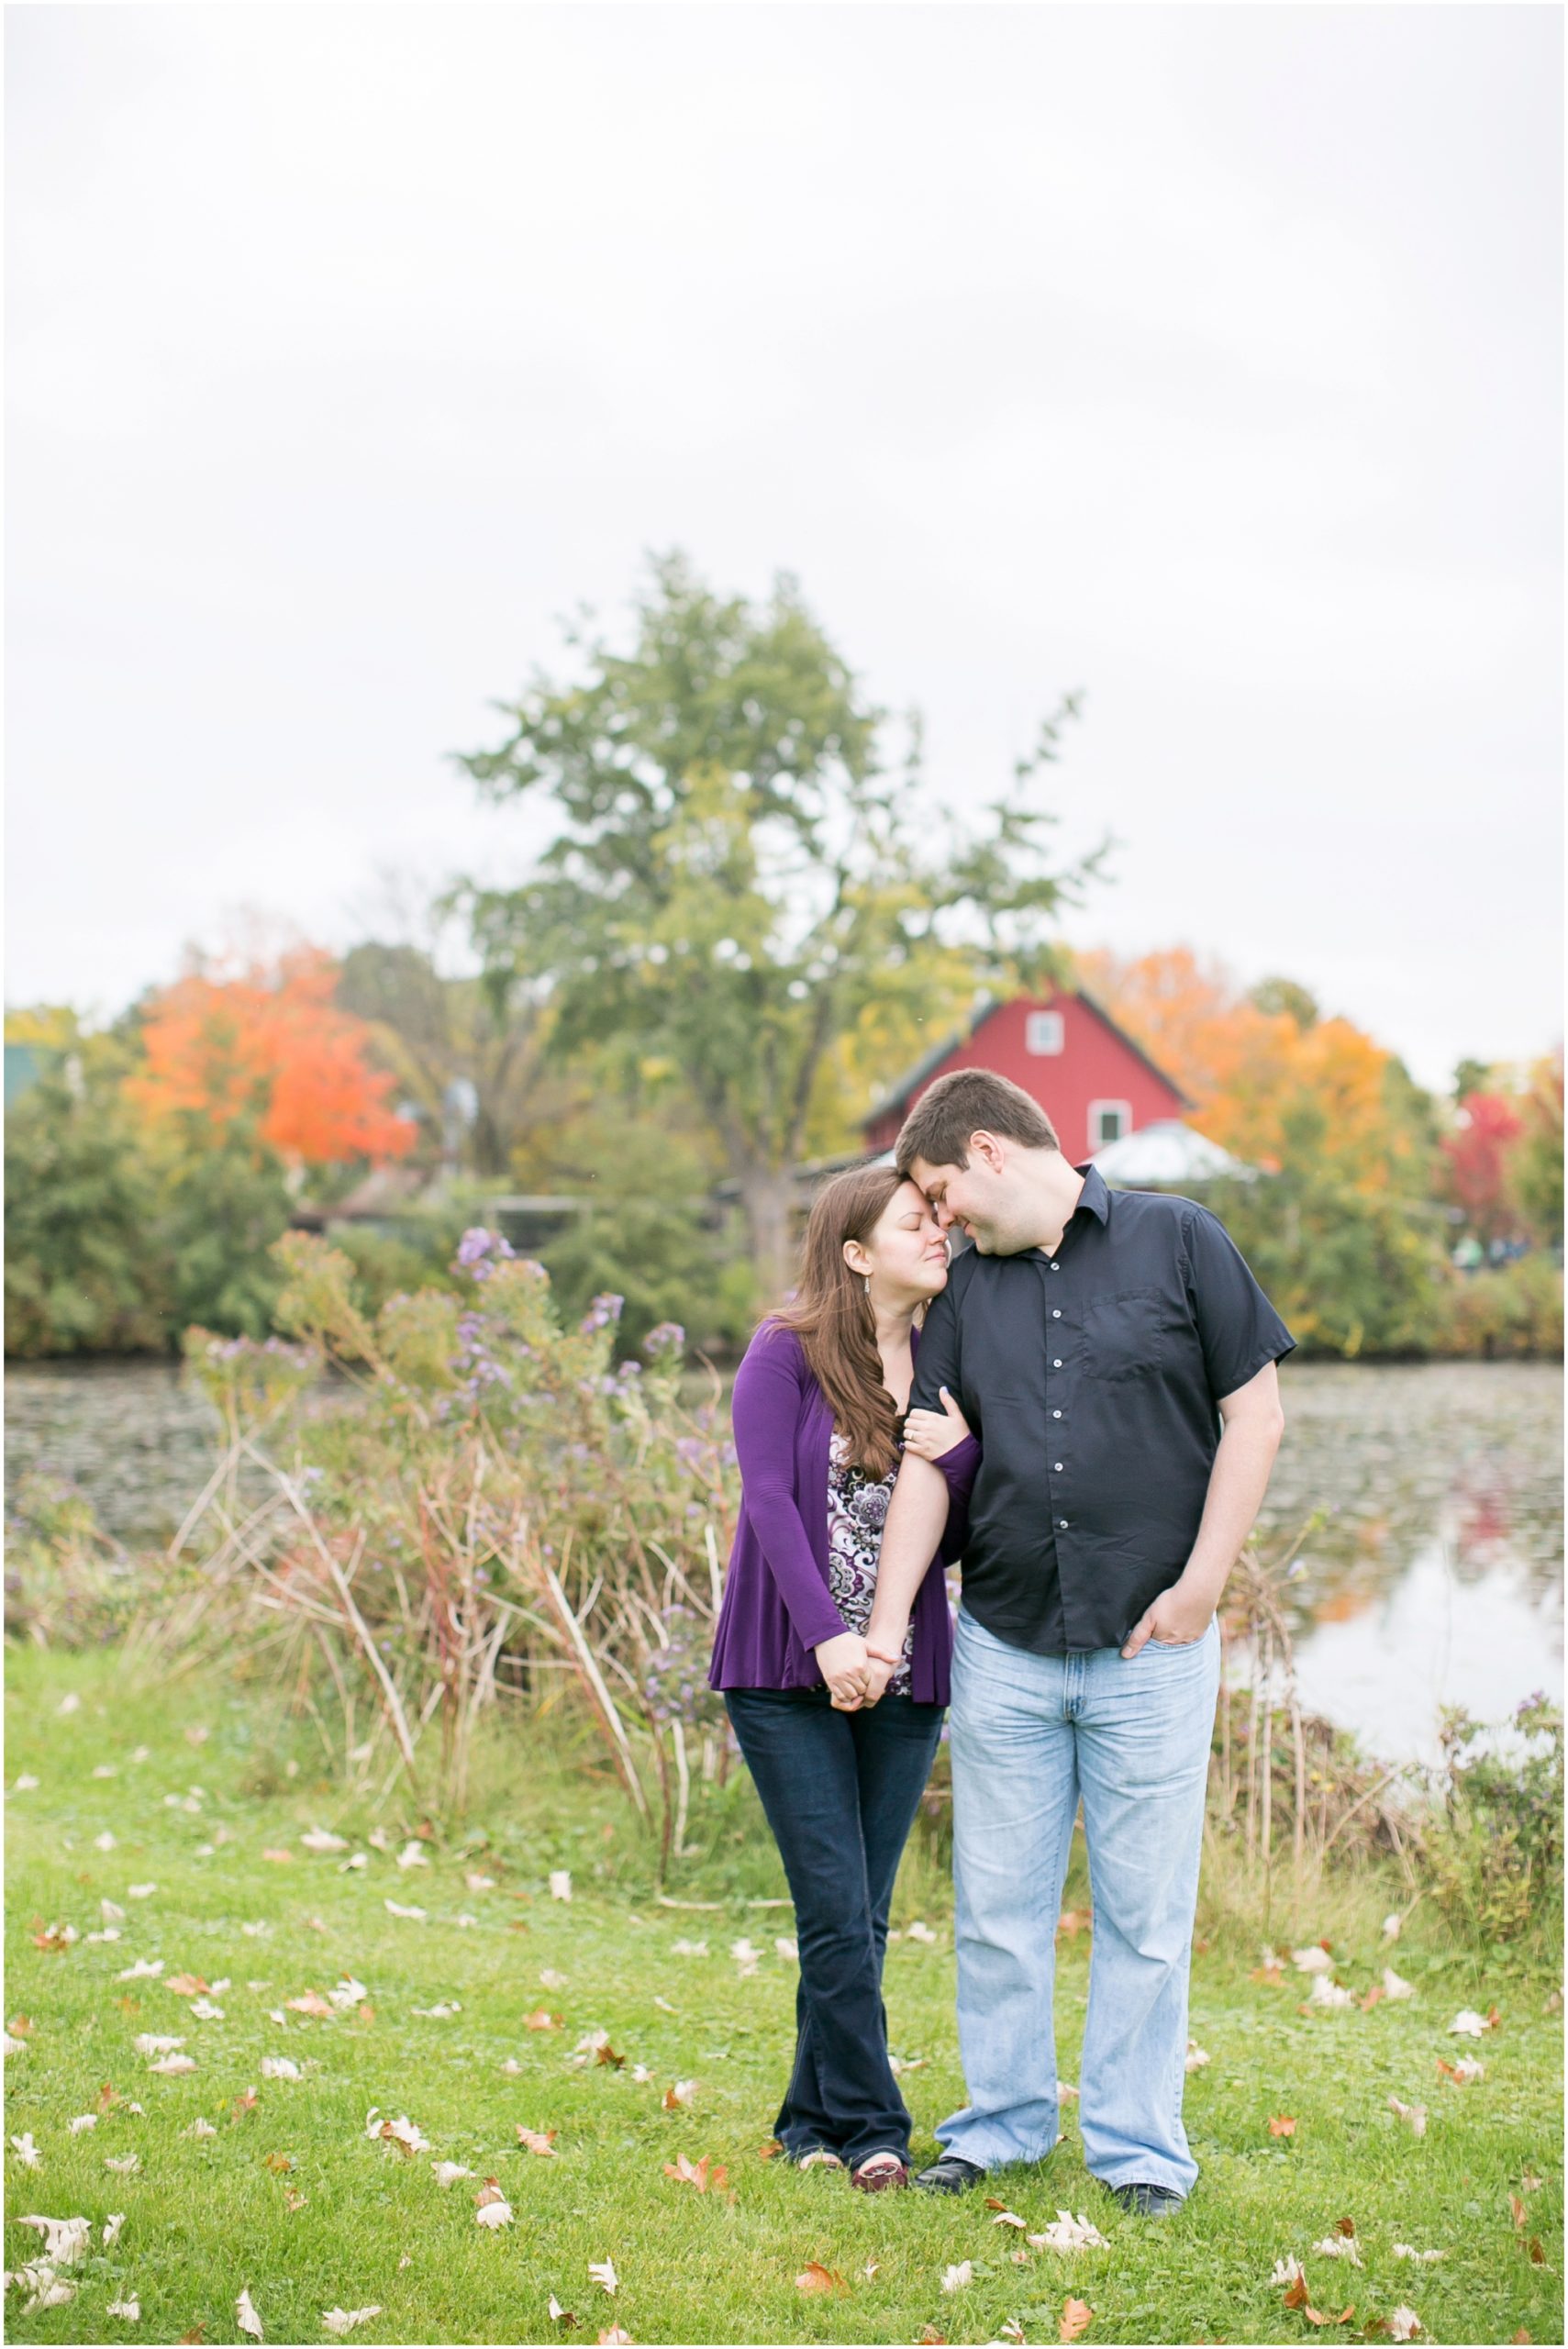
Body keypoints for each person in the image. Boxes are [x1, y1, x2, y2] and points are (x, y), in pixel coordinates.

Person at [857, 1067, 1294, 2215]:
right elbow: (925, 1463)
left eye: (942, 1192)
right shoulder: (964, 1296)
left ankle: (1140, 2151)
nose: (939, 1220)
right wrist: (890, 1624)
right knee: (997, 1909)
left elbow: (1254, 1413)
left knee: (1145, 1920)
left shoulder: (1180, 1240)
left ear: (992, 1151)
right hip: (1001, 1641)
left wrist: (1203, 1585)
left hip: (1150, 1647)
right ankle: (997, 2127)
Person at [709, 1163, 978, 2191]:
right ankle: (875, 2128)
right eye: (916, 1222)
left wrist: (957, 1460)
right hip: (787, 1668)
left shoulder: (950, 1363)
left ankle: (804, 2120)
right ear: (857, 1252)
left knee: (858, 1912)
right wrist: (828, 1639)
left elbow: (963, 1528)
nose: (936, 1234)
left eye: (938, 1220)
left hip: (905, 1675)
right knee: (832, 1905)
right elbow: (769, 1500)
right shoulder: (786, 1351)